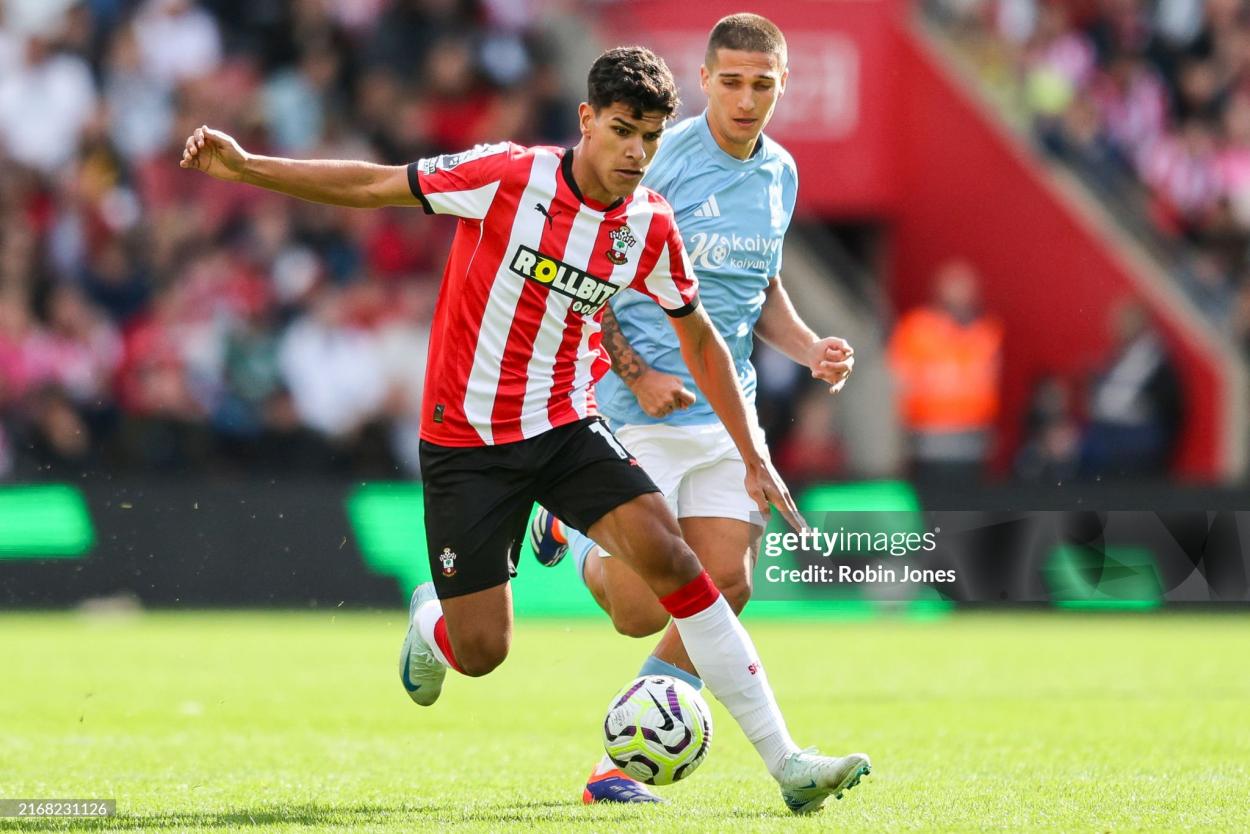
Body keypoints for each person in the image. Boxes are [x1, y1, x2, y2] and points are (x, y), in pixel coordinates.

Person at [179, 45, 869, 814]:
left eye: (648, 136)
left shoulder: (648, 223)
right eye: (620, 131)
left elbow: (701, 340)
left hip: (567, 424)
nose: (636, 153)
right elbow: (376, 185)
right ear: (586, 121)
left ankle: (789, 765)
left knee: (683, 566)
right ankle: (434, 622)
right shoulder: (510, 176)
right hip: (466, 442)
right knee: (484, 651)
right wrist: (248, 167)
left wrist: (752, 455)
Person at [526, 15, 858, 805]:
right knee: (639, 612)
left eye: (763, 84)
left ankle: (619, 763)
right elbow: (590, 273)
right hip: (636, 410)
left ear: (783, 86)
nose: (747, 100)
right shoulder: (660, 160)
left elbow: (757, 284)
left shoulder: (780, 172)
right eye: (732, 82)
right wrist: (636, 373)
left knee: (730, 583)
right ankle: (566, 521)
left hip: (725, 410)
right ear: (703, 81)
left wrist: (809, 348)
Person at [887, 259, 1003, 485]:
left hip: (973, 441)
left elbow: (990, 383)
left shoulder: (987, 332)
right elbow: (899, 385)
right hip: (926, 441)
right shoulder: (917, 329)